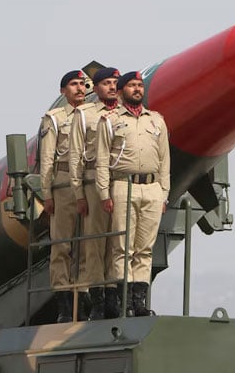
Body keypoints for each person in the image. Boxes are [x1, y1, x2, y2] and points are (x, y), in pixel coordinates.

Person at [95, 71, 170, 317]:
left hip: (151, 189)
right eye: (132, 86)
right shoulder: (110, 120)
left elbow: (164, 160)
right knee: (122, 247)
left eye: (140, 85)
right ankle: (122, 302)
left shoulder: (156, 121)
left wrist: (164, 193)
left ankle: (139, 304)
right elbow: (103, 160)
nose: (137, 89)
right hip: (122, 187)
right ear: (121, 91)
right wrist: (104, 193)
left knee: (144, 248)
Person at [68, 67, 121, 320]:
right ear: (96, 87)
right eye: (107, 83)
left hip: (120, 185)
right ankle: (97, 299)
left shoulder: (126, 114)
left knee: (117, 244)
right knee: (95, 243)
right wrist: (78, 192)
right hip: (92, 184)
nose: (112, 87)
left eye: (115, 83)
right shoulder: (84, 114)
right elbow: (75, 154)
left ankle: (113, 297)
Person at [39, 70, 89, 322]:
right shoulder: (55, 119)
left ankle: (82, 299)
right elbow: (47, 159)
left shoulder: (93, 115)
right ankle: (64, 304)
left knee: (85, 246)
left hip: (88, 186)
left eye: (82, 84)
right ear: (63, 91)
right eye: (73, 84)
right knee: (62, 246)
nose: (79, 88)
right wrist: (46, 193)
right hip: (63, 186)